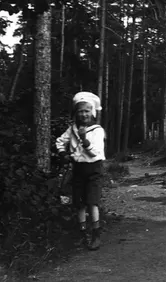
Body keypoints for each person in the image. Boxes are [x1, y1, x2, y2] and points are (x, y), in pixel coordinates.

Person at [55, 92, 105, 251]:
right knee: (79, 203)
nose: (83, 114)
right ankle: (83, 234)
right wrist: (63, 153)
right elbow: (60, 141)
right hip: (78, 169)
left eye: (87, 111)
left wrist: (84, 140)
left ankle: (96, 234)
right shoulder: (72, 129)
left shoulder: (97, 131)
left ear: (93, 112)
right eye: (80, 111)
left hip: (94, 169)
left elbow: (95, 153)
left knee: (92, 202)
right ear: (76, 113)